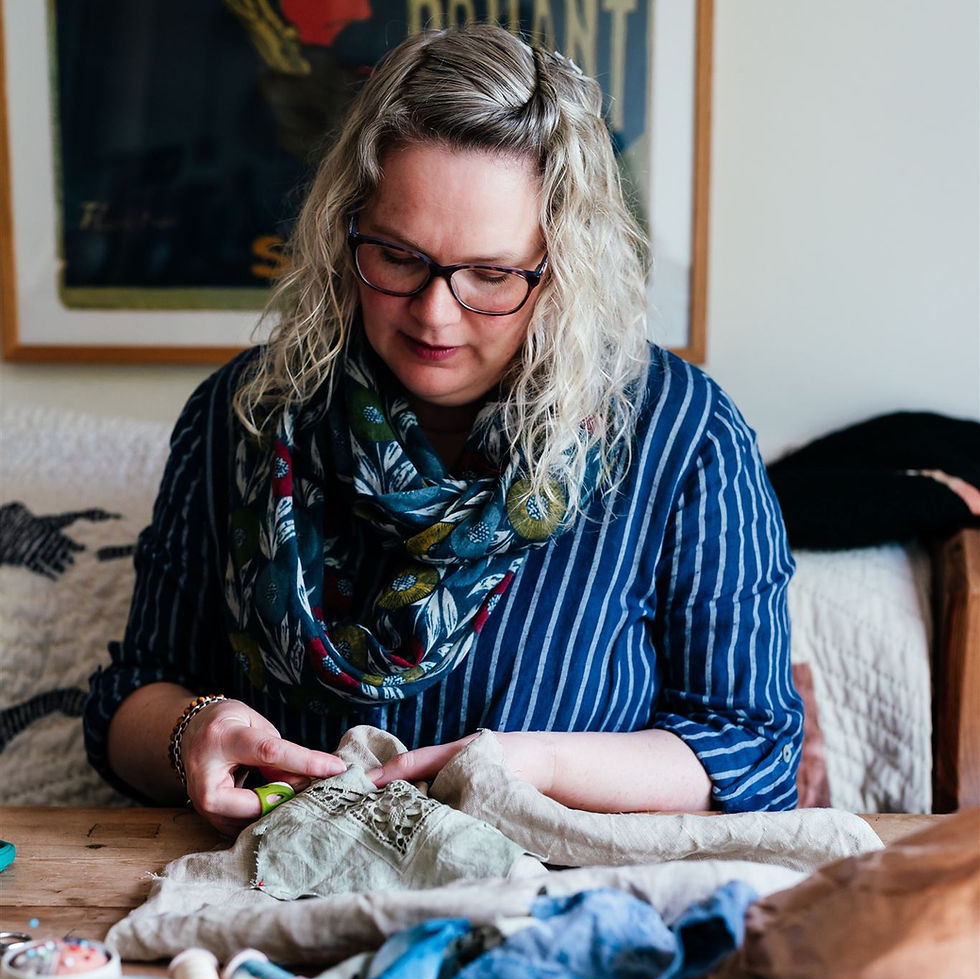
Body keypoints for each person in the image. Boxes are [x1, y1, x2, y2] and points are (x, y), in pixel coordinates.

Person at [84, 24, 803, 836]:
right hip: (270, 902)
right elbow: (130, 698)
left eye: (490, 274)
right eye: (397, 257)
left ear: (562, 265)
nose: (434, 313)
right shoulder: (240, 415)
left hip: (545, 915)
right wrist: (189, 735)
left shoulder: (682, 436)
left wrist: (537, 766)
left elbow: (752, 749)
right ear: (344, 229)